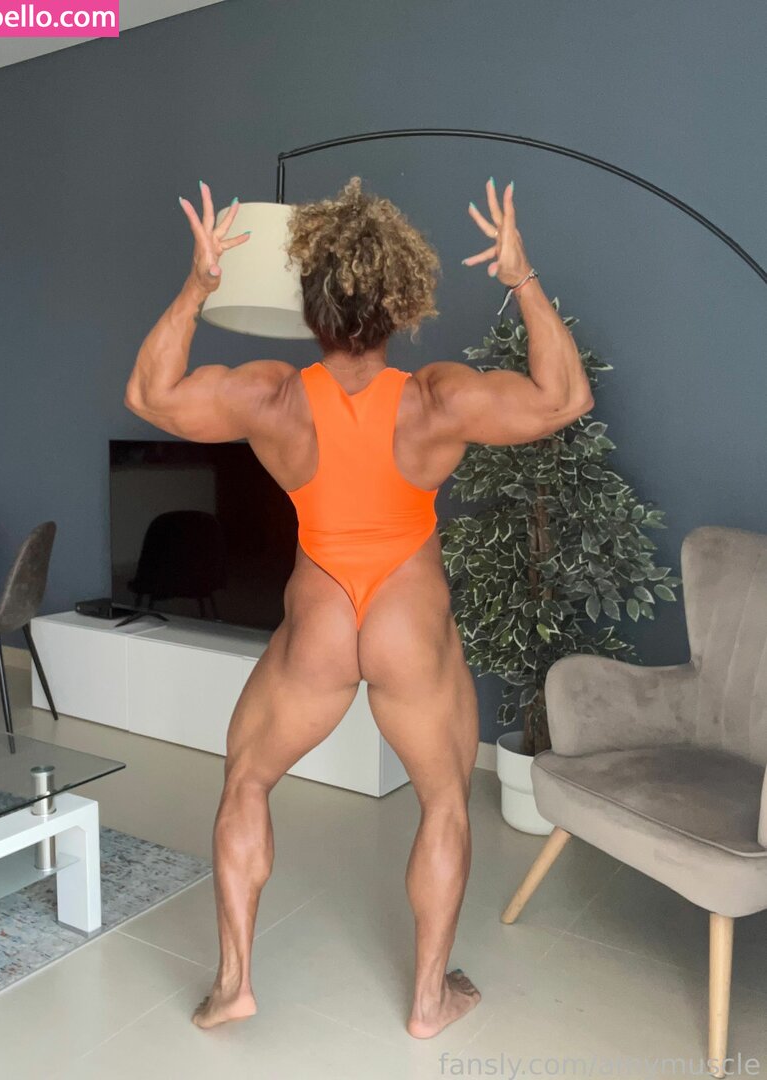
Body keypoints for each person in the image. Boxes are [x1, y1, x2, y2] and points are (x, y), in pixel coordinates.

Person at [124, 175, 593, 1039]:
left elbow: (151, 396)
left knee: (247, 779)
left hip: (322, 618)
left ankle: (233, 986)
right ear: (402, 303)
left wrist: (198, 286)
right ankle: (429, 1002)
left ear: (311, 307)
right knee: (444, 802)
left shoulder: (273, 395)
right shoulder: (435, 398)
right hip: (408, 618)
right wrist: (521, 278)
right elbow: (564, 398)